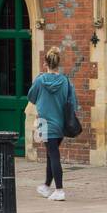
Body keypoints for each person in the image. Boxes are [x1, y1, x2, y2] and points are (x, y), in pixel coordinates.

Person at [27, 46, 78, 202]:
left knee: (54, 155)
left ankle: (60, 190)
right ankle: (46, 186)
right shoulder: (65, 81)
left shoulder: (40, 80)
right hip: (61, 124)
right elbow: (73, 103)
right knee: (51, 154)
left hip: (45, 124)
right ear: (58, 63)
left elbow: (31, 97)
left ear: (46, 63)